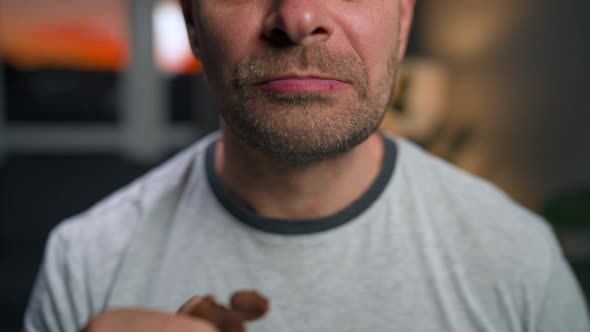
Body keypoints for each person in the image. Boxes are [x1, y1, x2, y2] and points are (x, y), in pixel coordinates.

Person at [24, 0, 590, 331]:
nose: (296, 17)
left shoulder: (517, 259)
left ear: (403, 22)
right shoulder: (87, 261)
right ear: (193, 25)